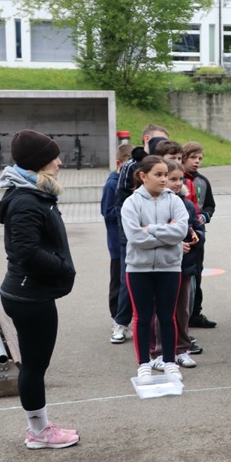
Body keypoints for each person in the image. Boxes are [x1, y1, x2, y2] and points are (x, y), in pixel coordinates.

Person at [0, 130, 79, 449]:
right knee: (34, 367)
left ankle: (39, 428)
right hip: (29, 296)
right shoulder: (26, 200)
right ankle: (39, 433)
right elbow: (25, 252)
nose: (59, 161)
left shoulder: (33, 192)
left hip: (28, 294)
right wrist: (62, 266)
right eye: (53, 157)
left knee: (35, 365)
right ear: (37, 163)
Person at [121, 155, 189, 382]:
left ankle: (169, 362)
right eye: (158, 175)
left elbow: (180, 232)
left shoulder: (175, 201)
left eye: (166, 176)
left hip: (169, 268)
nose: (164, 180)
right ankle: (144, 364)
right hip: (138, 269)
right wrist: (165, 234)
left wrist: (149, 228)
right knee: (142, 316)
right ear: (143, 176)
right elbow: (135, 237)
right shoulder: (131, 203)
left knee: (167, 316)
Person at [110, 124, 168, 343]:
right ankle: (120, 323)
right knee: (129, 279)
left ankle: (158, 327)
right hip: (134, 234)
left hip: (160, 236)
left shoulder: (166, 169)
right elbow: (120, 202)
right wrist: (129, 233)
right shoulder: (132, 167)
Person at [148, 160, 204, 370]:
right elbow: (149, 232)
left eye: (180, 179)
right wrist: (174, 242)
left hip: (184, 268)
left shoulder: (186, 204)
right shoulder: (153, 205)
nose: (177, 183)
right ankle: (160, 351)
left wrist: (195, 237)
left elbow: (198, 228)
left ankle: (182, 349)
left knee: (182, 311)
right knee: (162, 311)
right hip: (161, 267)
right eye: (173, 179)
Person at [182, 142, 216, 329]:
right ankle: (182, 315)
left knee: (196, 273)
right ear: (184, 157)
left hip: (198, 235)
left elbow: (210, 205)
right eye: (193, 158)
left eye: (200, 159)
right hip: (180, 235)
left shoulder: (202, 181)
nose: (197, 162)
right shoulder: (177, 179)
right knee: (183, 277)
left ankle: (195, 312)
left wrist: (204, 216)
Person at [101, 142, 132, 343]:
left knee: (127, 282)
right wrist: (128, 211)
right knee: (118, 282)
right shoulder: (113, 183)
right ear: (118, 163)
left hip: (130, 242)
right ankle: (117, 318)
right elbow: (108, 212)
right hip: (116, 244)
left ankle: (124, 316)